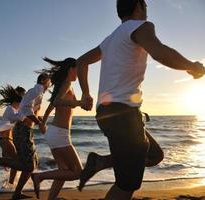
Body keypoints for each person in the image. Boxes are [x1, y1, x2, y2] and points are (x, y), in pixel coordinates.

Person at [76, 0, 205, 199]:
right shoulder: (141, 26)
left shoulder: (110, 39)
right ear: (139, 6)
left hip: (109, 113)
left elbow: (81, 62)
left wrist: (86, 93)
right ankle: (102, 165)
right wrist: (192, 66)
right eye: (146, 6)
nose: (147, 11)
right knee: (126, 185)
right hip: (122, 114)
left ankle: (100, 163)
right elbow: (159, 52)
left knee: (154, 155)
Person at [0, 72, 51, 200]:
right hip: (21, 132)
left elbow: (28, 111)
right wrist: (39, 123)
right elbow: (26, 110)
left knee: (33, 163)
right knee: (28, 165)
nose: (50, 84)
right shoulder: (37, 90)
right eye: (49, 81)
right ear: (44, 80)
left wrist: (41, 121)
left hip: (24, 131)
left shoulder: (37, 92)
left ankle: (16, 192)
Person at [31, 57, 84, 200]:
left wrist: (43, 123)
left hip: (55, 133)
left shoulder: (64, 85)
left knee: (63, 171)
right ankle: (39, 176)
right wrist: (79, 102)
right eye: (77, 69)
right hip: (59, 134)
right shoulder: (66, 83)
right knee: (78, 172)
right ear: (71, 69)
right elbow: (56, 102)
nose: (78, 73)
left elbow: (52, 105)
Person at [0, 85, 25, 188]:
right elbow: (20, 118)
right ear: (17, 101)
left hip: (6, 140)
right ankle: (10, 183)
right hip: (5, 140)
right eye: (21, 101)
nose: (21, 104)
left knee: (14, 163)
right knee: (17, 162)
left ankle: (10, 183)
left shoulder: (12, 110)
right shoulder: (10, 110)